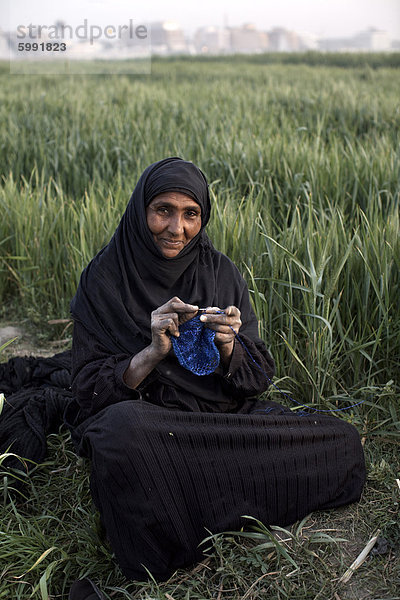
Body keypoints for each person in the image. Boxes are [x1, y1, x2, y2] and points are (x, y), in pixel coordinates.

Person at [67, 157, 365, 582]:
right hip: (153, 425)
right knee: (118, 437)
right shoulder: (104, 277)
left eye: (191, 214)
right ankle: (212, 498)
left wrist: (228, 348)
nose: (177, 228)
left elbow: (255, 380)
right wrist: (150, 353)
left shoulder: (219, 271)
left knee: (343, 442)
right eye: (163, 211)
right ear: (141, 211)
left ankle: (195, 494)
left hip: (220, 422)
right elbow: (87, 390)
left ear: (203, 218)